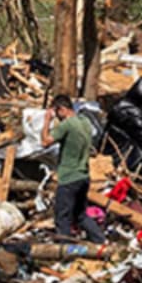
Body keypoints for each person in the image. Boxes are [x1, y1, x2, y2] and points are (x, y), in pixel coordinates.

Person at [41, 98, 105, 245]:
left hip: (69, 178)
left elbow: (45, 142)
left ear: (62, 109)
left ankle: (65, 251)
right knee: (79, 215)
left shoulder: (67, 125)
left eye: (57, 112)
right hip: (84, 176)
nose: (56, 116)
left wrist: (46, 121)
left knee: (62, 218)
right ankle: (100, 240)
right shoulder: (85, 122)